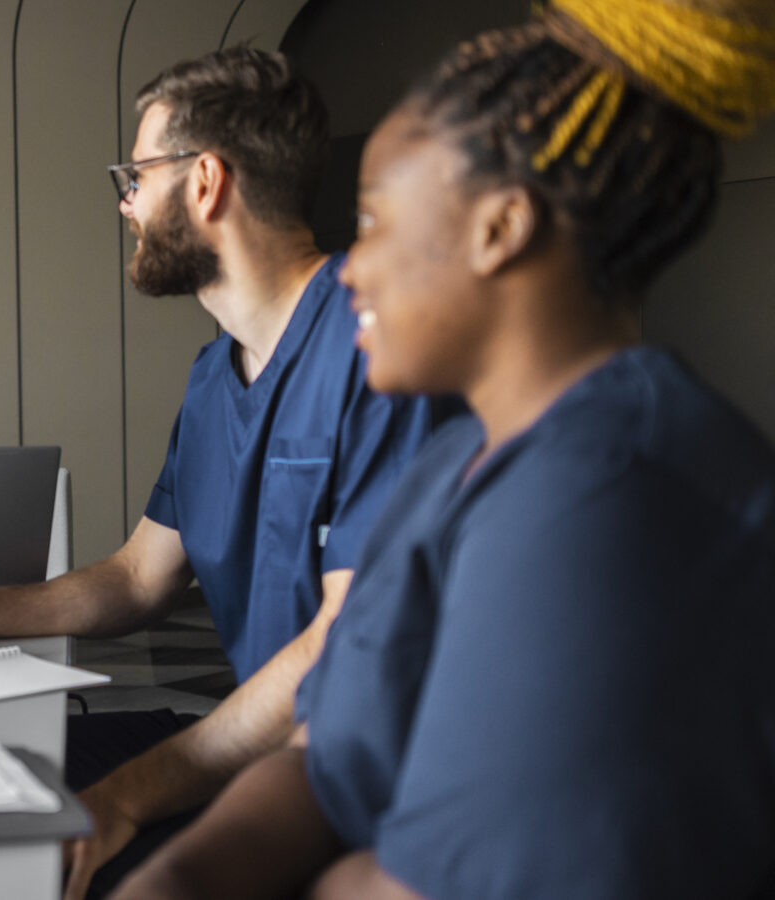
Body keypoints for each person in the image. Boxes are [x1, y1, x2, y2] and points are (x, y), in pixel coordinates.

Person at [111, 1, 775, 897]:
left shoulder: (617, 493)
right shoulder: (446, 473)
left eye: (378, 223)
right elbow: (330, 756)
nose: (354, 266)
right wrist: (182, 876)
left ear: (499, 228)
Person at [0, 46, 447, 899]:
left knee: (37, 857)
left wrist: (129, 794)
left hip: (355, 792)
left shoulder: (376, 348)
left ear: (205, 182)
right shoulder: (215, 378)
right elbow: (139, 577)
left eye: (136, 175)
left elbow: (340, 649)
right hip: (255, 751)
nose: (126, 203)